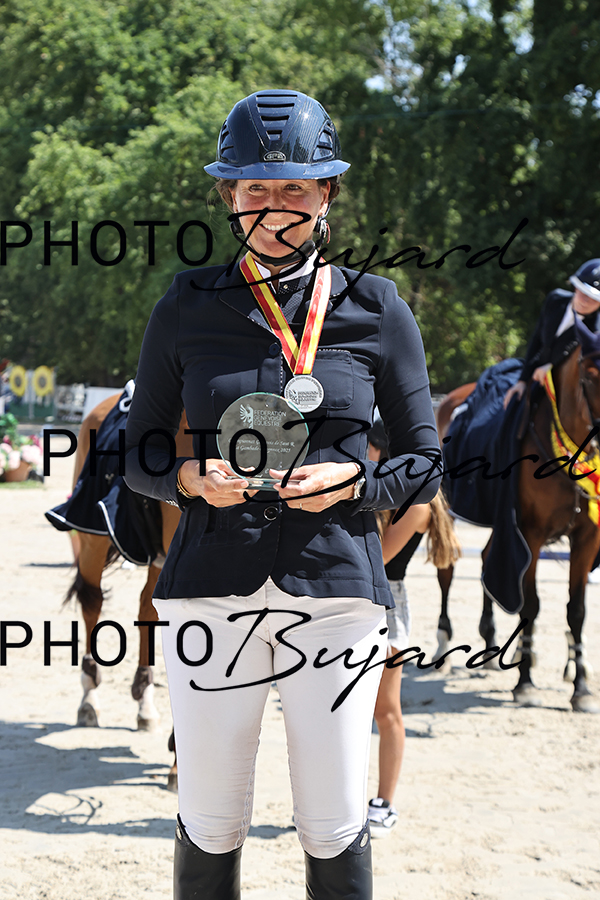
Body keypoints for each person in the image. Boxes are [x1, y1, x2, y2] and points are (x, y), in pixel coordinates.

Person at [124, 89, 441, 900]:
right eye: (255, 189)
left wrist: (356, 482)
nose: (274, 208)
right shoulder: (185, 304)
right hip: (209, 592)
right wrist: (189, 479)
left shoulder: (377, 307)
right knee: (210, 819)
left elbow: (425, 461)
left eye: (294, 188)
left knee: (332, 823)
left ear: (327, 193)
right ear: (229, 197)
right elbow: (138, 449)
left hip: (336, 594)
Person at [365, 422, 460, 838]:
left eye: (367, 449)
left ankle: (384, 803)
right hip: (350, 600)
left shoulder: (416, 504)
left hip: (386, 602)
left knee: (385, 710)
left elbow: (379, 560)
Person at [503, 258, 600, 408]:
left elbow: (583, 366)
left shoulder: (595, 331)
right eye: (583, 292)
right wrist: (522, 380)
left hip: (562, 387)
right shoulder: (555, 299)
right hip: (533, 369)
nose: (586, 301)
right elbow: (537, 338)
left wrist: (552, 368)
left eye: (594, 299)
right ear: (576, 287)